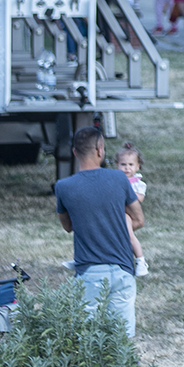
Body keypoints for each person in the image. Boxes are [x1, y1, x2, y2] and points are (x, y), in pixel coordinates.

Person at [54, 126, 144, 337]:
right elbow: (139, 219)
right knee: (122, 338)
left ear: (74, 152)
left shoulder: (63, 186)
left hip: (89, 270)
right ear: (100, 150)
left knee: (86, 337)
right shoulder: (119, 179)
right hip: (122, 268)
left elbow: (67, 226)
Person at [116, 143, 148, 275]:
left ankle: (140, 260)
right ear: (117, 165)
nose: (127, 168)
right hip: (114, 212)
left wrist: (126, 192)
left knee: (129, 235)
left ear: (138, 166)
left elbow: (139, 198)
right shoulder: (114, 180)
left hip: (127, 214)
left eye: (131, 164)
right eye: (123, 164)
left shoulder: (139, 184)